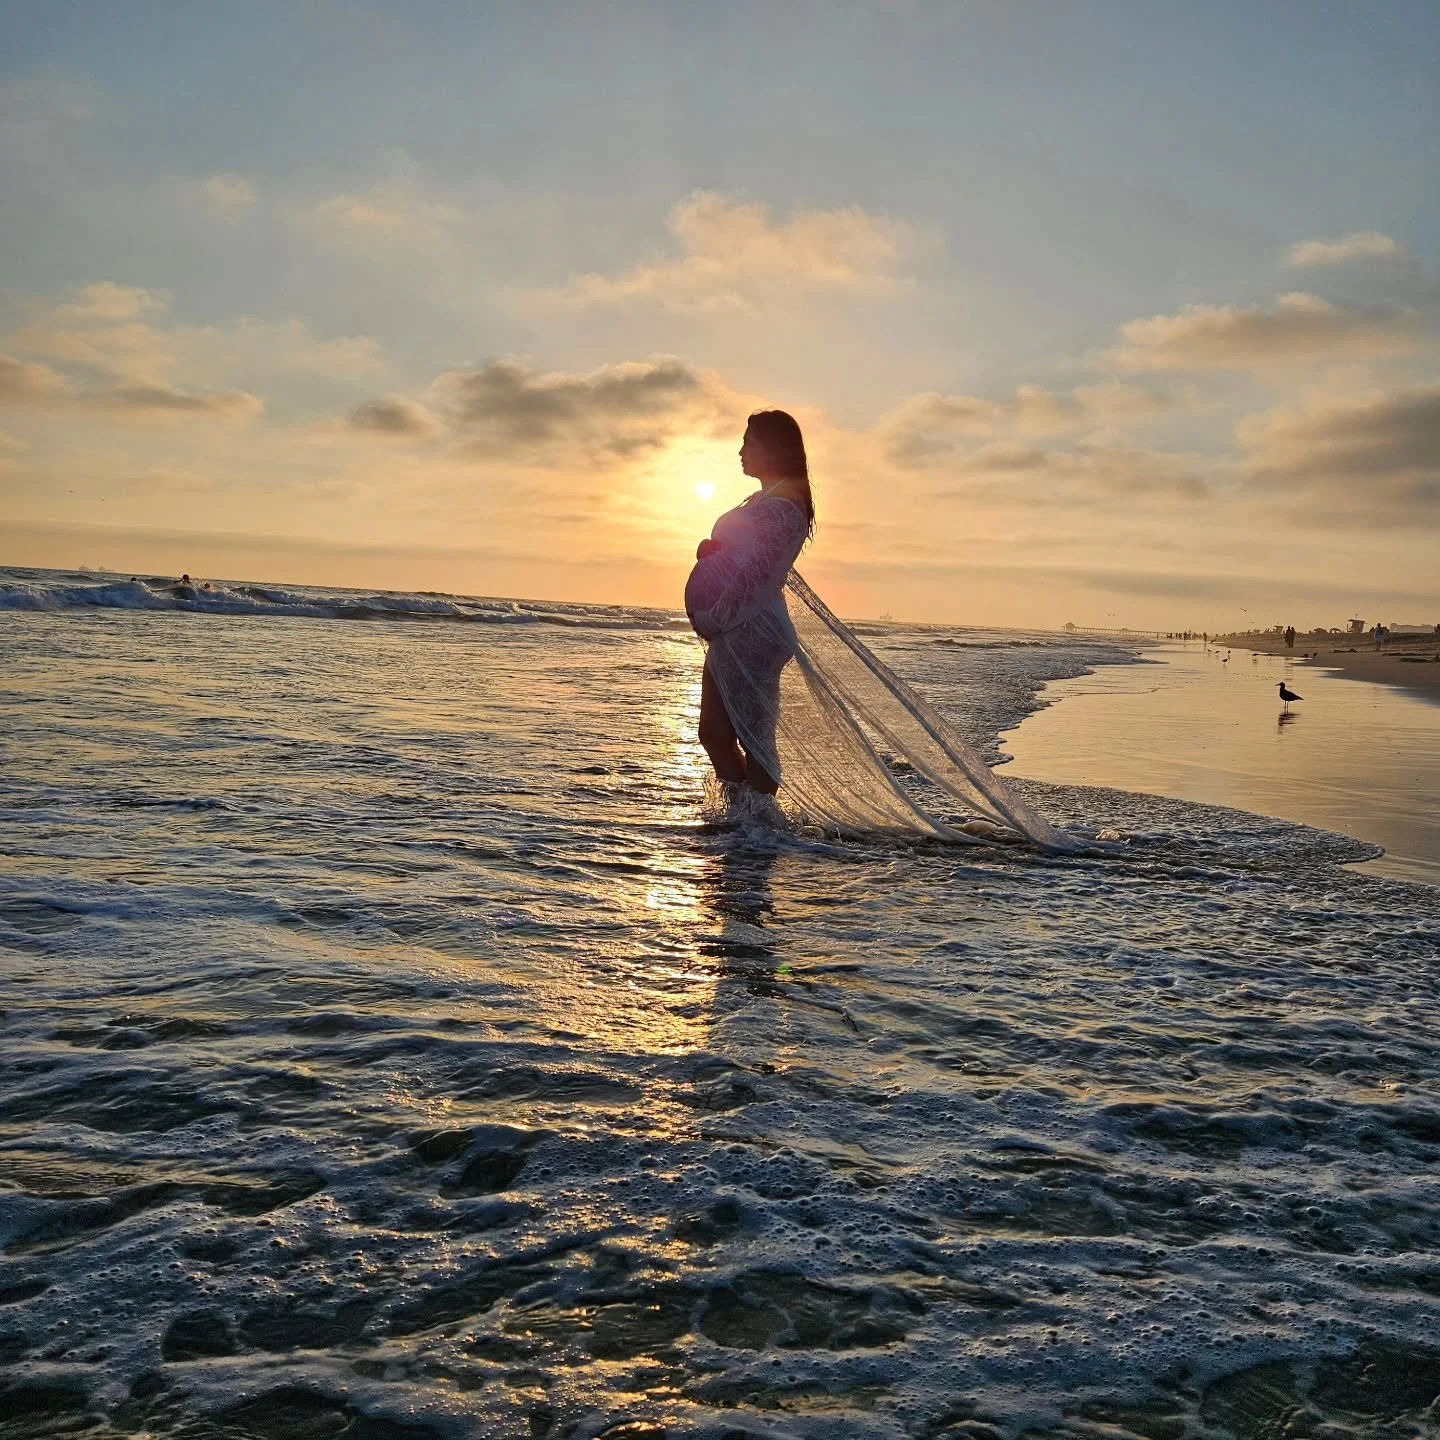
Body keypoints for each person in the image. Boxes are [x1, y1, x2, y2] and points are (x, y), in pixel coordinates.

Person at [685, 410, 814, 796]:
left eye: (749, 443)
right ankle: (745, 812)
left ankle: (758, 821)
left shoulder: (784, 507)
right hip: (731, 628)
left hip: (754, 630)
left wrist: (713, 619)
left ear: (772, 448)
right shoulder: (763, 499)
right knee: (713, 733)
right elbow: (741, 558)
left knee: (753, 737)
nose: (741, 451)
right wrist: (712, 555)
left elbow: (758, 575)